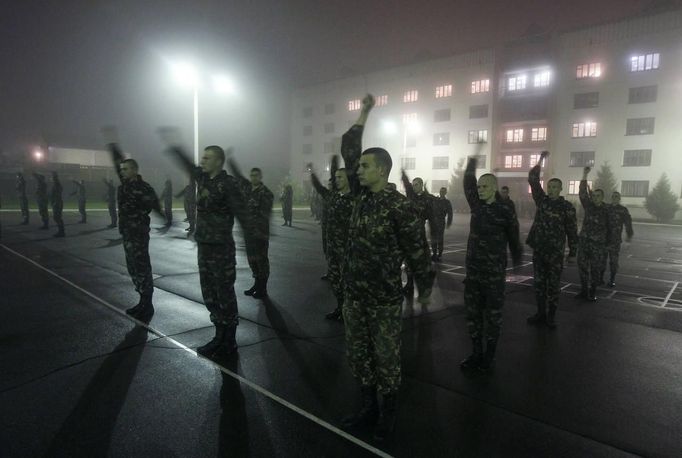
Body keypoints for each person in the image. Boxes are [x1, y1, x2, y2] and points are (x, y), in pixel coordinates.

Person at [340, 94, 434, 440]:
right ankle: (368, 408)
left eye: (365, 166)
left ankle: (387, 416)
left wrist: (425, 289)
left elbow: (418, 251)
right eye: (359, 166)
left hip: (382, 300)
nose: (359, 170)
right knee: (360, 357)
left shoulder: (399, 206)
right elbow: (349, 146)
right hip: (355, 297)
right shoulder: (360, 197)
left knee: (386, 360)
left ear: (382, 170)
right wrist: (364, 112)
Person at [164, 140, 252, 359]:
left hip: (222, 250)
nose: (202, 160)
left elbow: (243, 214)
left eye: (207, 157)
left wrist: (251, 238)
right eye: (202, 157)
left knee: (224, 295)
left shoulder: (228, 184)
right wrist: (175, 146)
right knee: (210, 295)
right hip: (205, 247)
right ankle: (218, 336)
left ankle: (229, 341)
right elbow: (188, 165)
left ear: (219, 162)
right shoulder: (202, 177)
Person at [460, 156, 523, 373]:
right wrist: (471, 163)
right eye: (479, 186)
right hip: (474, 274)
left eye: (485, 186)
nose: (480, 189)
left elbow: (514, 239)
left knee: (493, 317)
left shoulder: (505, 210)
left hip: (494, 276)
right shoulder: (476, 206)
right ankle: (476, 353)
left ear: (494, 187)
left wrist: (516, 261)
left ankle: (489, 356)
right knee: (473, 316)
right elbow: (467, 182)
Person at [105, 137, 161, 321]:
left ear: (135, 170)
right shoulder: (124, 187)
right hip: (128, 234)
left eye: (126, 169)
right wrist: (113, 148)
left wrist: (163, 219)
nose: (122, 172)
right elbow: (117, 163)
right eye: (121, 170)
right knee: (132, 268)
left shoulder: (144, 187)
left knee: (142, 267)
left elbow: (154, 204)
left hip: (138, 234)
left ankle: (148, 304)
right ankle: (142, 301)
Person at [525, 151, 578, 329]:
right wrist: (540, 160)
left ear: (561, 189)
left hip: (555, 253)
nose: (552, 189)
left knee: (553, 286)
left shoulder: (567, 207)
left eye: (555, 187)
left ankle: (551, 316)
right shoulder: (542, 201)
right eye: (550, 186)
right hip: (540, 250)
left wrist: (573, 252)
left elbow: (572, 231)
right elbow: (533, 179)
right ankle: (540, 313)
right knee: (539, 284)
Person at [309, 156, 353, 321]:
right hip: (333, 249)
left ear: (349, 179)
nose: (337, 180)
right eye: (336, 178)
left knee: (347, 282)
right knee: (335, 281)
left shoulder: (355, 201)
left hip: (348, 251)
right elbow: (319, 187)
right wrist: (313, 173)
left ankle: (349, 312)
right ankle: (340, 308)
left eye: (340, 177)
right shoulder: (334, 197)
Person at [227, 160, 274, 299]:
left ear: (260, 177)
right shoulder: (247, 188)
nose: (254, 178)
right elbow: (238, 176)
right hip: (249, 233)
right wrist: (231, 162)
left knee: (262, 261)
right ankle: (256, 284)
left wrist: (257, 230)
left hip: (260, 234)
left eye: (256, 175)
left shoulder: (266, 193)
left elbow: (264, 215)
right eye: (252, 175)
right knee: (252, 260)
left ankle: (263, 288)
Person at [576, 167, 610, 302]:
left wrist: (608, 245)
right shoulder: (589, 206)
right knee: (582, 268)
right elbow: (582, 193)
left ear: (602, 197)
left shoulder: (607, 210)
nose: (595, 198)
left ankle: (593, 292)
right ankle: (584, 291)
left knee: (595, 270)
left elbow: (611, 229)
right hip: (584, 243)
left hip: (598, 245)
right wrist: (584, 174)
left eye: (598, 196)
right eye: (594, 196)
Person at [400, 173, 434, 293]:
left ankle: (424, 286)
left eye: (416, 185)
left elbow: (431, 216)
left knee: (421, 262)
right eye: (413, 185)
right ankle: (409, 284)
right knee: (408, 261)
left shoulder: (427, 199)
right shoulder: (411, 196)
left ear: (421, 185)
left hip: (419, 234)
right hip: (408, 234)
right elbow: (407, 185)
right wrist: (403, 174)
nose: (414, 187)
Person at [603, 191, 633, 287]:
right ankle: (599, 278)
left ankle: (612, 280)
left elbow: (628, 224)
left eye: (617, 197)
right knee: (600, 260)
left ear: (619, 199)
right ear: (611, 198)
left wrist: (628, 237)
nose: (614, 198)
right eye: (613, 196)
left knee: (613, 262)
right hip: (603, 239)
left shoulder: (623, 210)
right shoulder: (606, 208)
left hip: (615, 241)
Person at [430, 187, 453, 262]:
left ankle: (439, 254)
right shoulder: (436, 200)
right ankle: (434, 254)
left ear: (445, 193)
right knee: (433, 239)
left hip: (440, 222)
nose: (441, 192)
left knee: (440, 239)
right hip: (433, 222)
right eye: (440, 191)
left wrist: (449, 222)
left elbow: (450, 213)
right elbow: (428, 195)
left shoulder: (447, 202)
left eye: (443, 191)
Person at [50, 172, 65, 237]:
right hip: (56, 202)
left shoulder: (57, 184)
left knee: (57, 217)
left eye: (52, 177)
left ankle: (61, 232)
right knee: (56, 217)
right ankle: (61, 231)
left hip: (57, 202)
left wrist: (55, 202)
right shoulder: (56, 184)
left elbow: (58, 194)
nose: (51, 178)